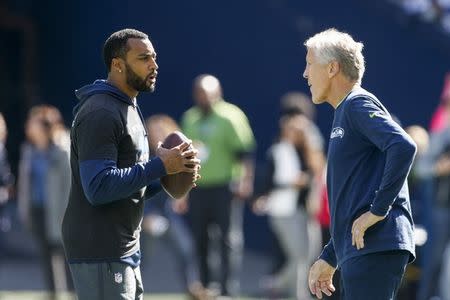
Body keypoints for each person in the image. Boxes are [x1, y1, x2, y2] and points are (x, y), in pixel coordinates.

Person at [61, 28, 201, 300]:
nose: (154, 65)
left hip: (122, 248)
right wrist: (160, 166)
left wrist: (170, 173)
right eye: (144, 58)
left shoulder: (127, 107)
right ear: (118, 64)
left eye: (154, 57)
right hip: (101, 248)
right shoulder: (101, 111)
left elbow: (127, 186)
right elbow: (98, 188)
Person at [303, 28, 417, 300]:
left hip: (376, 244)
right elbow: (354, 196)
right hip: (363, 247)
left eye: (309, 63)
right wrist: (331, 255)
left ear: (332, 68)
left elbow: (403, 146)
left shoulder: (356, 104)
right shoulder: (346, 110)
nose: (305, 74)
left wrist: (378, 210)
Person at [181, 74, 256, 297]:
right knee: (200, 239)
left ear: (218, 93)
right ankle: (206, 286)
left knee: (228, 239)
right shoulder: (190, 118)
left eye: (208, 93)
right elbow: (186, 157)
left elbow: (244, 153)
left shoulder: (231, 116)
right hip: (198, 188)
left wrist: (245, 182)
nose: (204, 98)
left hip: (225, 187)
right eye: (200, 94)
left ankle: (226, 288)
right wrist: (183, 191)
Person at [142, 114, 213, 300]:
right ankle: (132, 291)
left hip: (167, 213)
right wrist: (144, 217)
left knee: (185, 248)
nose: (156, 135)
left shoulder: (175, 155)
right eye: (152, 132)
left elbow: (182, 179)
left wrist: (182, 196)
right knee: (141, 258)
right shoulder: (143, 156)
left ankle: (193, 288)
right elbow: (142, 190)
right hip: (147, 214)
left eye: (160, 131)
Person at [17, 105, 73, 299]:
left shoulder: (63, 151)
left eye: (32, 124)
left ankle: (77, 294)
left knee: (68, 258)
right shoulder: (29, 151)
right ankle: (54, 294)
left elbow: (69, 186)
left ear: (45, 127)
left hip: (61, 212)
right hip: (38, 209)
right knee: (47, 256)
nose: (28, 127)